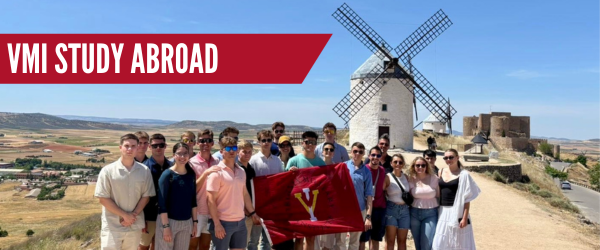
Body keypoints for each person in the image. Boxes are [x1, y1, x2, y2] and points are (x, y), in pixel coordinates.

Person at [94, 133, 155, 250]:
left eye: (133, 146)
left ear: (138, 148)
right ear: (120, 147)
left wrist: (132, 216)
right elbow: (103, 198)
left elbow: (146, 196)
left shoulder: (144, 171)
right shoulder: (107, 171)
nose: (130, 149)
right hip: (112, 226)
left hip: (134, 226)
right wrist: (125, 215)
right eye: (127, 146)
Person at [207, 136, 262, 250]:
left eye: (233, 148)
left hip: (240, 222)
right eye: (227, 148)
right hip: (222, 222)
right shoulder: (216, 172)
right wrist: (217, 224)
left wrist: (253, 213)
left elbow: (245, 194)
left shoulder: (241, 171)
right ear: (222, 151)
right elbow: (211, 200)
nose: (231, 151)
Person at [432, 149, 481, 250]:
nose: (448, 160)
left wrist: (464, 218)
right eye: (446, 158)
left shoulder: (464, 175)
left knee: (459, 242)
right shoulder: (441, 171)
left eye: (451, 157)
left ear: (457, 158)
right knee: (441, 240)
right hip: (442, 211)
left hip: (457, 211)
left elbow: (467, 199)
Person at [286, 131, 326, 250]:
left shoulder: (320, 162)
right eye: (308, 142)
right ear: (303, 143)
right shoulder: (293, 160)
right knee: (298, 237)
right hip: (297, 204)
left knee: (311, 237)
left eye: (313, 142)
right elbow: (285, 183)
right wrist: (289, 173)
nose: (310, 145)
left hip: (314, 205)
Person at [155, 143, 198, 250]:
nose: (182, 157)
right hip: (168, 222)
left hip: (186, 222)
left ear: (189, 155)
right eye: (179, 154)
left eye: (185, 153)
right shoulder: (167, 175)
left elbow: (193, 200)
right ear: (174, 155)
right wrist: (166, 227)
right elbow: (162, 204)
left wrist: (195, 223)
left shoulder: (191, 174)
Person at [248, 130, 284, 250]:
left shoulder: (277, 161)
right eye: (263, 140)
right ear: (259, 142)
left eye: (269, 140)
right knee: (253, 240)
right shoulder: (252, 160)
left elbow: (281, 180)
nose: (266, 143)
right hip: (257, 206)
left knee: (268, 240)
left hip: (272, 206)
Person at [139, 133, 172, 250]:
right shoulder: (143, 168)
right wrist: (141, 217)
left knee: (159, 246)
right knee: (144, 246)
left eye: (161, 145)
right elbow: (139, 194)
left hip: (168, 215)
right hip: (149, 215)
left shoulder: (172, 167)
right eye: (155, 146)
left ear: (165, 146)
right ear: (150, 147)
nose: (158, 148)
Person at [188, 129, 220, 250]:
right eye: (202, 141)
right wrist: (205, 173)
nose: (205, 143)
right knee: (192, 245)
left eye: (208, 140)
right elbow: (191, 189)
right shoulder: (191, 163)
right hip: (197, 212)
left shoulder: (217, 162)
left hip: (212, 211)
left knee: (205, 246)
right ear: (197, 143)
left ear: (212, 143)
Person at [344, 142, 373, 250]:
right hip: (343, 209)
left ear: (363, 153)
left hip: (359, 210)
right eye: (355, 151)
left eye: (360, 152)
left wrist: (368, 217)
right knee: (340, 241)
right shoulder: (343, 166)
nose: (357, 154)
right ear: (351, 152)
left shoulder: (366, 172)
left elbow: (369, 195)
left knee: (354, 242)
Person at [407, 157, 439, 250]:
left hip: (431, 213)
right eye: (417, 165)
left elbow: (438, 196)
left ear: (426, 166)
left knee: (427, 244)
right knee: (417, 244)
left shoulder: (434, 178)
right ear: (414, 166)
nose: (420, 167)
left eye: (423, 165)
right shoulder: (411, 179)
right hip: (414, 213)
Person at [360, 147, 386, 250]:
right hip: (365, 208)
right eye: (373, 155)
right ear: (369, 156)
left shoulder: (382, 170)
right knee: (362, 239)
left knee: (375, 239)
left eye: (378, 155)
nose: (375, 157)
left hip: (379, 208)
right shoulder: (363, 169)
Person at [382, 154, 410, 250]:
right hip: (391, 209)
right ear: (391, 163)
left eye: (400, 162)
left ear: (403, 164)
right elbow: (381, 192)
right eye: (395, 162)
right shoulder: (387, 177)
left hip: (405, 210)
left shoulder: (406, 177)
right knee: (390, 240)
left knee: (402, 241)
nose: (398, 164)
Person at [236, 140, 259, 250]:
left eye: (249, 152)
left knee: (244, 244)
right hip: (238, 213)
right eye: (244, 152)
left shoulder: (251, 169)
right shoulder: (235, 169)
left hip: (249, 212)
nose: (247, 154)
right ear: (238, 152)